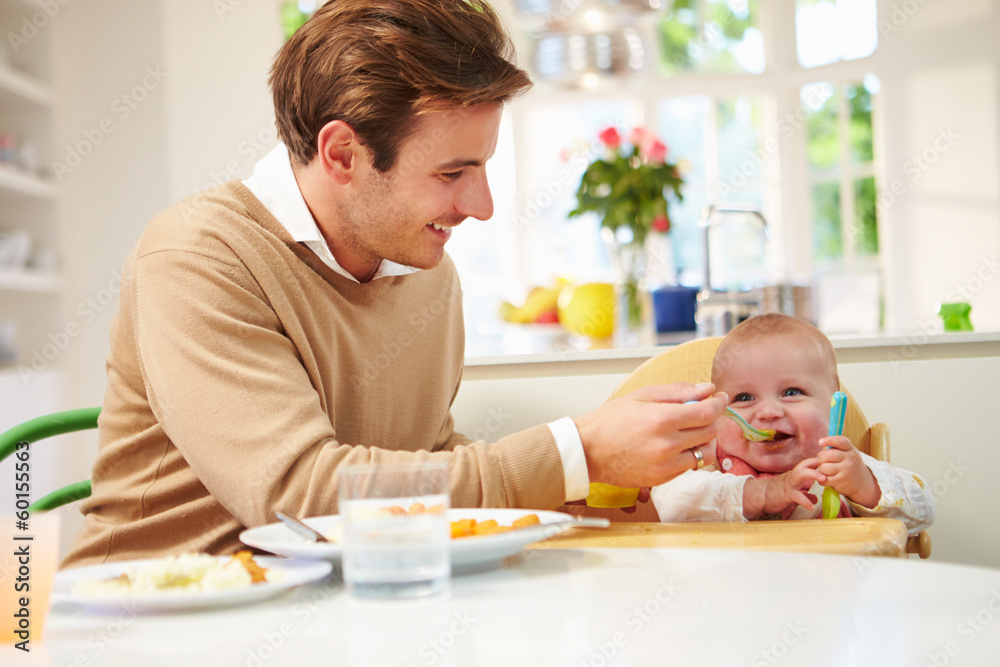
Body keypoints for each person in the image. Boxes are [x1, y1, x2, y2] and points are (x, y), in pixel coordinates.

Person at [62, 0, 726, 567]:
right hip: (150, 627)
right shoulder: (198, 256)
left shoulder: (426, 273)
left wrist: (596, 485)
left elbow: (421, 464)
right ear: (342, 154)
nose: (483, 204)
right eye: (452, 172)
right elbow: (302, 493)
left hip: (336, 613)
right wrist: (575, 451)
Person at [651, 313, 936, 534]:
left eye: (791, 393)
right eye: (744, 397)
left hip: (826, 597)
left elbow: (922, 509)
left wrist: (864, 486)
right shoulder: (708, 463)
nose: (769, 412)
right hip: (732, 600)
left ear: (833, 403)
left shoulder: (838, 466)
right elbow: (667, 499)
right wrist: (758, 494)